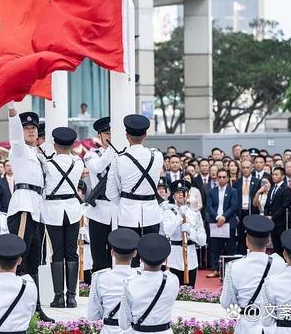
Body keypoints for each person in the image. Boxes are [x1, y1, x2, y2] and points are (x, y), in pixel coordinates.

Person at [4, 105, 52, 321]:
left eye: (34, 128)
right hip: (23, 206)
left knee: (35, 261)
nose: (31, 131)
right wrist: (13, 109)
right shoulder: (19, 149)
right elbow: (14, 133)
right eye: (27, 128)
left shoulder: (39, 154)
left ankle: (36, 306)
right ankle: (15, 303)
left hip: (38, 209)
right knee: (18, 258)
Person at [106, 114, 163, 267]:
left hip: (127, 214)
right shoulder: (157, 156)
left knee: (127, 259)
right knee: (152, 256)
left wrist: (126, 200)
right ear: (145, 135)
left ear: (126, 135)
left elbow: (110, 192)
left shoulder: (120, 158)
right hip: (151, 212)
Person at [220, 215, 286, 334]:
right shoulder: (279, 263)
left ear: (246, 241)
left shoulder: (234, 266)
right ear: (268, 241)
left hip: (246, 325)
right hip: (272, 327)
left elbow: (226, 303)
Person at [41, 127, 84, 309]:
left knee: (57, 252)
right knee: (71, 251)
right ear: (72, 144)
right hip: (72, 209)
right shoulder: (78, 162)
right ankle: (72, 297)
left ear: (54, 144)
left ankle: (59, 297)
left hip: (53, 210)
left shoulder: (47, 163)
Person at [118, 233, 179, 334]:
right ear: (164, 260)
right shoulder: (173, 280)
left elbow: (124, 324)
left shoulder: (130, 283)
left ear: (141, 259)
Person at [87, 228, 140, 333]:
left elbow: (92, 316)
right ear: (135, 253)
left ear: (112, 253)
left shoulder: (100, 278)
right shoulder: (140, 278)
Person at [84, 116, 118, 277]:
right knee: (98, 256)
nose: (109, 136)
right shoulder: (92, 155)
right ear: (100, 136)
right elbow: (98, 168)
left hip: (118, 210)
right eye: (106, 133)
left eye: (112, 132)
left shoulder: (122, 155)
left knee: (120, 254)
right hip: (99, 210)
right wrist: (113, 149)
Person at [162, 180, 207, 288]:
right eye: (178, 192)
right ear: (173, 196)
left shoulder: (195, 214)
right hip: (174, 258)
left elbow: (202, 240)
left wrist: (190, 231)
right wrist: (179, 218)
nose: (181, 194)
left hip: (191, 256)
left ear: (189, 194)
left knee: (190, 290)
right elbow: (167, 232)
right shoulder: (168, 213)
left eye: (184, 191)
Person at [206, 168, 238, 278]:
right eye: (219, 177)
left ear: (228, 178)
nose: (221, 179)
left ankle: (230, 271)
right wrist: (217, 217)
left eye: (224, 177)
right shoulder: (212, 191)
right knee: (215, 247)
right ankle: (215, 269)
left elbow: (234, 206)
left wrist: (224, 217)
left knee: (230, 248)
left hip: (228, 222)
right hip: (216, 222)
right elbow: (209, 206)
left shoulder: (233, 191)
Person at [234, 160, 260, 255]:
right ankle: (241, 255)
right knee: (241, 237)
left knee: (252, 236)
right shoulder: (237, 182)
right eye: (243, 168)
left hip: (252, 212)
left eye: (247, 168)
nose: (245, 170)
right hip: (240, 212)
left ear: (252, 169)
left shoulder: (257, 182)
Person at [264, 167, 291, 255]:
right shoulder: (272, 188)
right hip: (271, 222)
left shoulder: (286, 189)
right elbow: (268, 203)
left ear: (283, 176)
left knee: (281, 244)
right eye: (273, 174)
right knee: (275, 244)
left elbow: (285, 206)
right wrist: (266, 214)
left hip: (281, 222)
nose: (274, 176)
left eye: (276, 175)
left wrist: (273, 216)